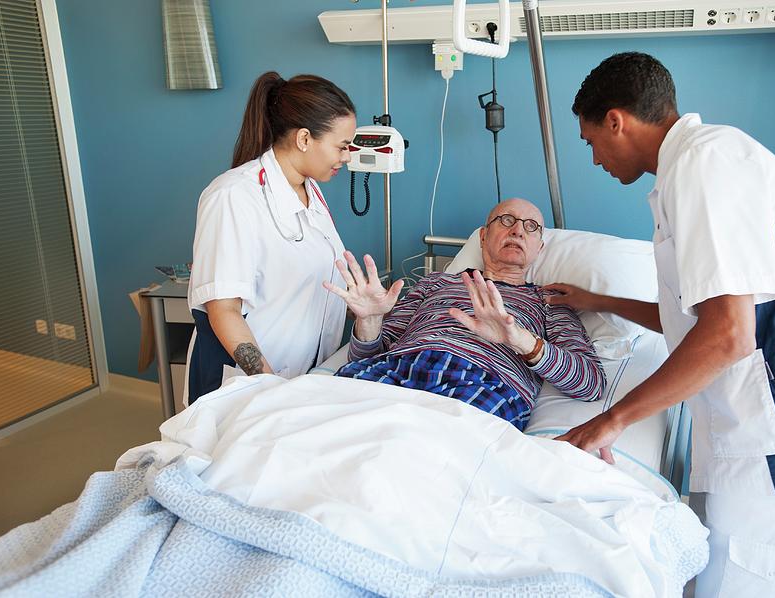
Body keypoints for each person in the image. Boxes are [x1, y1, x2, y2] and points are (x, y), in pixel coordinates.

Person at [549, 52, 775, 596]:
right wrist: (597, 299)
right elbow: (695, 320)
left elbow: (727, 333)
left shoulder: (707, 165)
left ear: (616, 120)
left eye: (589, 141)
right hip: (759, 432)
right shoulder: (696, 167)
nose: (593, 159)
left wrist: (611, 421)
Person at [324, 198, 605, 429]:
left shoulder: (548, 301)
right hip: (397, 369)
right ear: (482, 237)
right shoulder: (436, 282)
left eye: (531, 227)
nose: (518, 231)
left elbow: (591, 383)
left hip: (483, 384)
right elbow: (367, 356)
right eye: (506, 220)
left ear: (539, 249)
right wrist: (370, 321)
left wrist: (520, 339)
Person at [186, 72, 356, 404]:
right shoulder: (233, 196)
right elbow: (223, 308)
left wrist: (363, 305)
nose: (347, 157)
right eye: (342, 146)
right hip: (247, 388)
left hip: (300, 380)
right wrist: (268, 386)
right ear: (304, 139)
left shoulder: (309, 190)